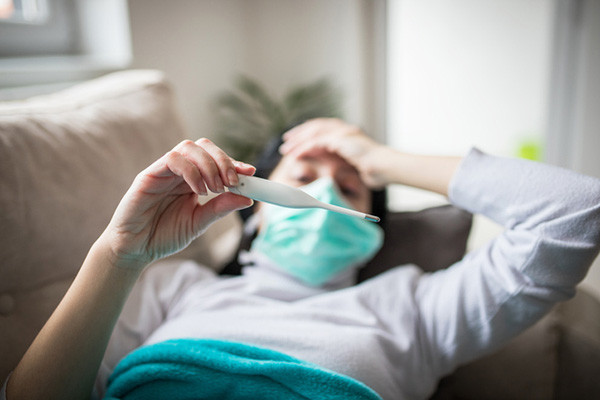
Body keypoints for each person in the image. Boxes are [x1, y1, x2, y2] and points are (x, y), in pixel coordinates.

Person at [3, 118, 600, 400]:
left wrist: (380, 157)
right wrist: (118, 253)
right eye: (305, 177)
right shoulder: (173, 288)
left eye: (352, 186)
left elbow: (576, 211)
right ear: (255, 209)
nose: (326, 194)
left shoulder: (414, 306)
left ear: (373, 228)